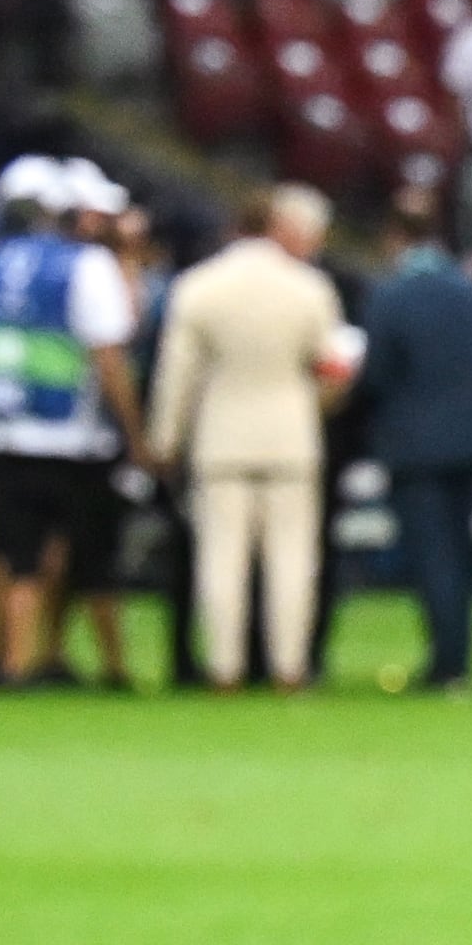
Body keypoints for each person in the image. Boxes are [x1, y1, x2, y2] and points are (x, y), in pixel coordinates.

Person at [149, 186, 350, 691]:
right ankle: (290, 667)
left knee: (221, 557)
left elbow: (178, 377)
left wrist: (165, 440)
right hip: (290, 435)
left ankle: (225, 667)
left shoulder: (198, 287)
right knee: (293, 559)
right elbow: (333, 367)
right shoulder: (309, 288)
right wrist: (313, 408)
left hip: (222, 436)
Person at [0, 166, 143, 690]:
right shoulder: (87, 265)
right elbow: (109, 347)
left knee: (9, 553)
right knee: (88, 554)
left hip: (3, 429)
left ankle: (5, 661)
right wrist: (134, 431)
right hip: (71, 432)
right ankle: (105, 667)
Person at [344, 194, 472, 691]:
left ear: (395, 236)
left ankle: (446, 663)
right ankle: (459, 655)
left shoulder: (390, 295)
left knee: (431, 553)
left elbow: (375, 375)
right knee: (461, 549)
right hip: (471, 439)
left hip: (413, 443)